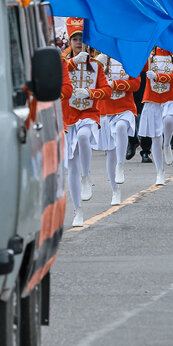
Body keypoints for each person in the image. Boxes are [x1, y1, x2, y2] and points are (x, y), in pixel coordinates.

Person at [61, 19, 110, 226]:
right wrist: (73, 62)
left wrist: (90, 92)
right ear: (69, 41)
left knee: (83, 136)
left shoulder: (96, 65)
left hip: (89, 113)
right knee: (71, 166)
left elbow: (106, 91)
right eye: (75, 39)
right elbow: (59, 80)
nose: (78, 42)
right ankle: (77, 211)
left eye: (82, 38)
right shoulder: (63, 61)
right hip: (68, 117)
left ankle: (87, 176)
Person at [96, 51, 139, 204]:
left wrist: (115, 84)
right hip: (105, 110)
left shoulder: (129, 58)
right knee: (110, 153)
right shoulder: (99, 60)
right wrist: (94, 65)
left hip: (125, 107)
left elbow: (136, 84)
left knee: (121, 127)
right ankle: (115, 190)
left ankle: (121, 165)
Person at [137, 46, 173, 186]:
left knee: (169, 120)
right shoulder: (149, 55)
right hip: (152, 99)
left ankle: (167, 143)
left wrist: (157, 76)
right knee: (155, 137)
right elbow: (136, 65)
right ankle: (159, 171)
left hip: (169, 97)